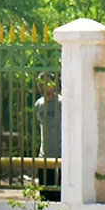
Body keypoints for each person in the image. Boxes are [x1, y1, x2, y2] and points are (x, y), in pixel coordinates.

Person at [34, 72, 62, 201]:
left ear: (53, 85)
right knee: (45, 196)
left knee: (59, 196)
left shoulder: (62, 103)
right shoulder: (38, 104)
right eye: (40, 83)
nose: (42, 86)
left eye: (46, 83)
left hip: (61, 156)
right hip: (43, 156)